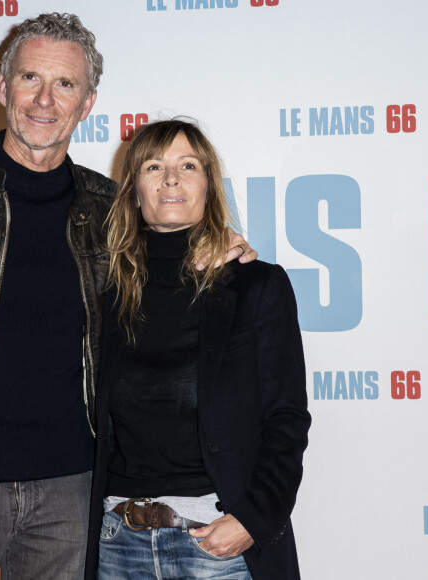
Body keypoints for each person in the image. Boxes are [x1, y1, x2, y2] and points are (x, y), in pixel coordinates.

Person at [0, 14, 256, 580]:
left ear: (89, 101)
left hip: (73, 495)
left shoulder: (109, 209)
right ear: (3, 87)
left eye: (66, 85)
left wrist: (222, 243)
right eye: (30, 78)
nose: (44, 100)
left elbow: (174, 256)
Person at [85, 119, 311, 579]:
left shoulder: (256, 286)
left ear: (208, 185)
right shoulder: (102, 291)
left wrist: (252, 519)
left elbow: (286, 419)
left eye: (187, 165)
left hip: (216, 544)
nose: (171, 178)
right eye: (154, 166)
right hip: (116, 545)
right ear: (132, 190)